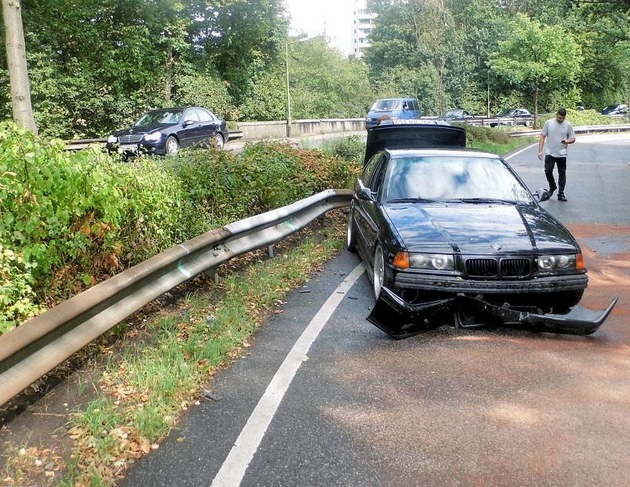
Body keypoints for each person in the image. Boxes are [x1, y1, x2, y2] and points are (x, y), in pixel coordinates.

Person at [537, 108, 576, 201]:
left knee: (562, 173)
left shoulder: (568, 125)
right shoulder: (548, 123)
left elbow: (573, 138)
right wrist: (540, 151)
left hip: (562, 154)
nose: (561, 120)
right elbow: (542, 136)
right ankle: (552, 186)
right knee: (548, 171)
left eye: (563, 118)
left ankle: (561, 193)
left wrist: (567, 141)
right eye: (559, 118)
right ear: (556, 115)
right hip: (550, 152)